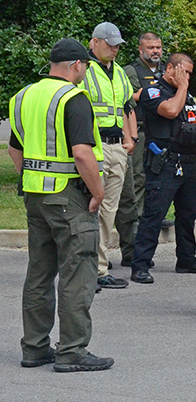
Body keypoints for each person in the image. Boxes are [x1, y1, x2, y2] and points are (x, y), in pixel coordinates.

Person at [9, 38, 112, 372]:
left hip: (36, 197)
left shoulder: (22, 97)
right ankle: (72, 350)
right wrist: (97, 193)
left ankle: (35, 348)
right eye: (84, 66)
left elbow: (15, 149)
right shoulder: (74, 98)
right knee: (77, 272)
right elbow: (82, 153)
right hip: (68, 197)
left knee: (39, 273)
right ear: (75, 66)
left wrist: (32, 176)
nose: (84, 71)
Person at [129, 53, 196, 284]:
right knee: (154, 214)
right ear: (170, 68)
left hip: (189, 161)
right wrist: (182, 87)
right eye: (184, 72)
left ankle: (186, 258)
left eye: (190, 73)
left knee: (188, 214)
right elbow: (170, 111)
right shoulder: (154, 91)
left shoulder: (186, 94)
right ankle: (140, 264)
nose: (188, 77)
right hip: (164, 162)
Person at [84, 22, 137, 290]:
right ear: (94, 42)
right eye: (110, 44)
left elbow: (127, 107)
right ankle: (87, 270)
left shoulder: (118, 72)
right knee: (89, 208)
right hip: (93, 148)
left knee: (108, 211)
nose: (115, 49)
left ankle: (100, 269)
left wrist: (130, 139)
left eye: (117, 45)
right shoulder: (83, 69)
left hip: (117, 148)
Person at [115, 32, 164, 266]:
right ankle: (131, 247)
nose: (155, 51)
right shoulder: (131, 71)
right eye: (151, 47)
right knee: (134, 185)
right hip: (141, 131)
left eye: (158, 47)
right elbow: (131, 98)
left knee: (155, 182)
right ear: (140, 49)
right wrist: (157, 93)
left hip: (161, 133)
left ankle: (148, 228)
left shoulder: (165, 69)